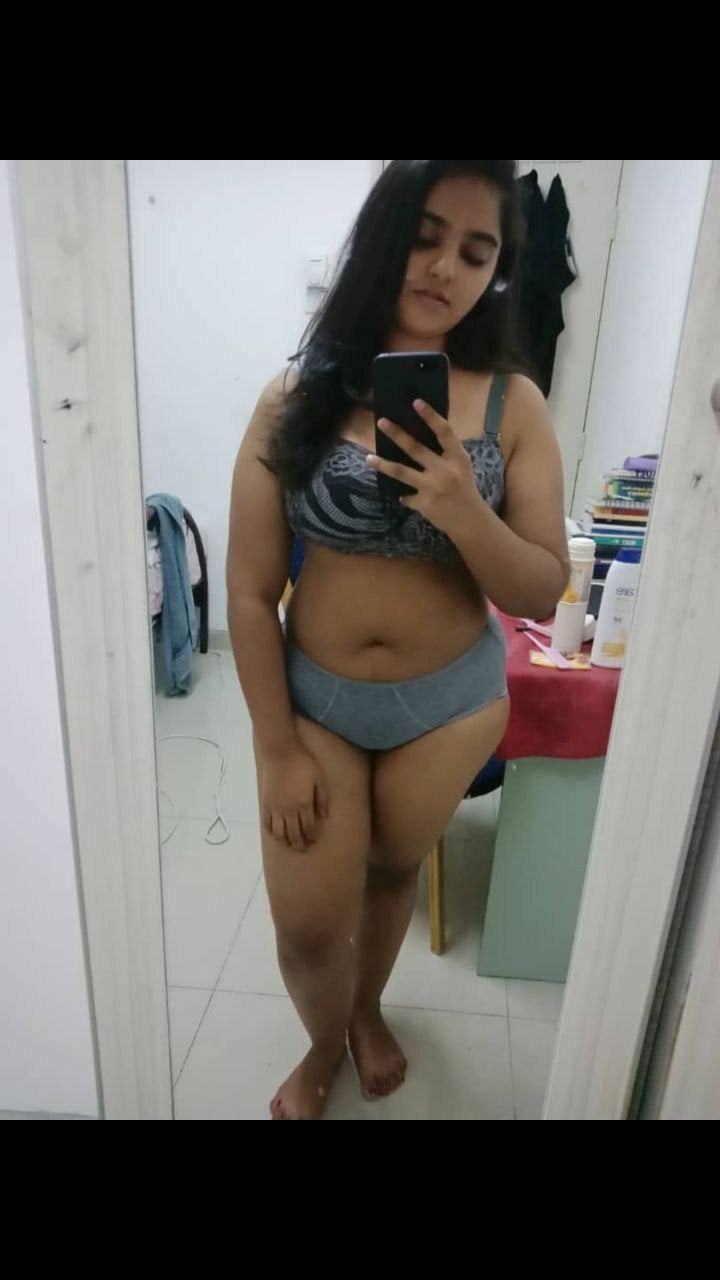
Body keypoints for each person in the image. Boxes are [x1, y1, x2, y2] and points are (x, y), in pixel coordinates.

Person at [226, 160, 569, 1120]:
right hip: (316, 700)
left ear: (496, 272)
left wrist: (465, 508)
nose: (446, 268)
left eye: (477, 251)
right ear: (382, 239)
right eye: (424, 237)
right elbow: (249, 594)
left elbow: (540, 586)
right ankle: (321, 1042)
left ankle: (365, 1011)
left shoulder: (514, 405)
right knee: (306, 927)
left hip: (447, 704)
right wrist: (276, 750)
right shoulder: (292, 398)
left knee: (389, 874)